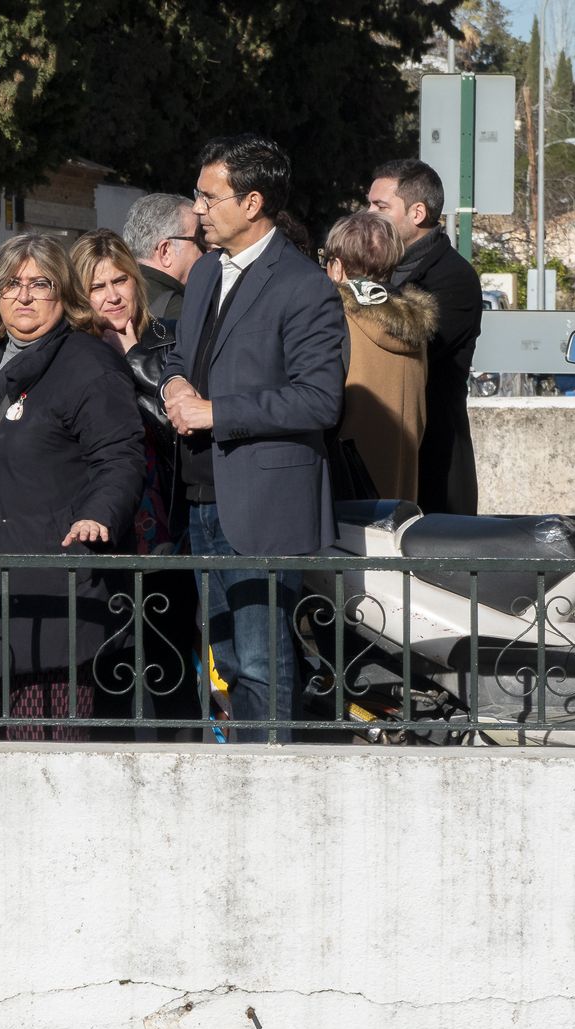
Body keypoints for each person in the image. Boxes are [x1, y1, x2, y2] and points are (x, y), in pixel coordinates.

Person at [160, 134, 347, 736]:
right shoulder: (208, 270)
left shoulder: (303, 284)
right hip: (198, 495)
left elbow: (320, 398)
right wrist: (173, 388)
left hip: (262, 504)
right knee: (227, 661)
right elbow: (181, 357)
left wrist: (216, 412)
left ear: (252, 203)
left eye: (208, 197)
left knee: (263, 662)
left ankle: (270, 791)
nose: (198, 210)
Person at [0, 233, 145, 737]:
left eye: (40, 283)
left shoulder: (87, 364)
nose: (24, 295)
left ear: (65, 293)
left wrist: (100, 513)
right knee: (0, 748)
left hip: (54, 587)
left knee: (49, 756)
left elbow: (121, 455)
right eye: (12, 283)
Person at [69, 229, 198, 727]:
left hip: (168, 528)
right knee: (108, 676)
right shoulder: (73, 354)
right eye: (97, 287)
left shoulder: (170, 342)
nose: (113, 295)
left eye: (120, 280)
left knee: (173, 675)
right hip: (103, 532)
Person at [368, 158, 482, 515]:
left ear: (417, 213)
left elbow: (410, 346)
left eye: (380, 206)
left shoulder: (453, 278)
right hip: (377, 452)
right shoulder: (381, 267)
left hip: (430, 464)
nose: (367, 213)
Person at [323, 211, 436, 502]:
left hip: (347, 496)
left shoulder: (335, 321)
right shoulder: (415, 329)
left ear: (336, 267)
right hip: (402, 495)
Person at [122, 193, 204, 322]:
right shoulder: (179, 312)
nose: (207, 250)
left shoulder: (110, 302)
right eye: (199, 240)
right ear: (165, 252)